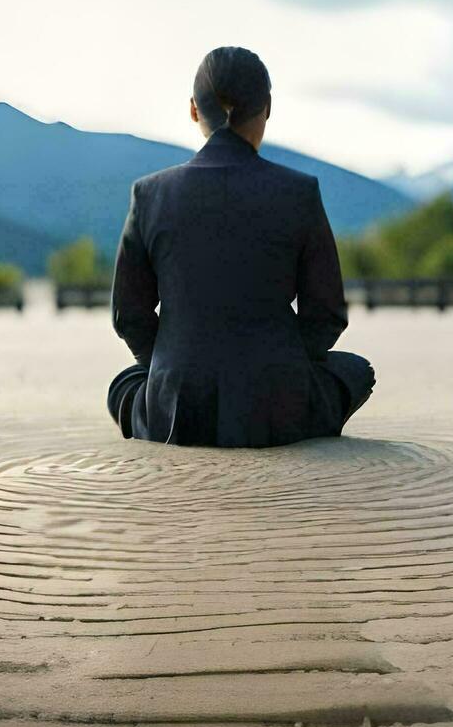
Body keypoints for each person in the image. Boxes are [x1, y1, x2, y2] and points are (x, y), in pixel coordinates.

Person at [106, 46, 375, 447]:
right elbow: (327, 317)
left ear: (194, 110)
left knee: (125, 385)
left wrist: (168, 365)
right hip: (275, 402)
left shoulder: (149, 194)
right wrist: (275, 360)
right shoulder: (300, 193)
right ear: (266, 108)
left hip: (180, 406)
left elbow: (129, 316)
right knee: (356, 371)